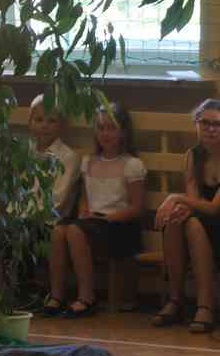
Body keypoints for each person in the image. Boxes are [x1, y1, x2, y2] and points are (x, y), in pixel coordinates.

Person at [152, 99, 220, 332]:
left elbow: (216, 207)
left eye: (217, 124)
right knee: (176, 220)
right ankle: (175, 299)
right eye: (204, 123)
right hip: (206, 223)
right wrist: (179, 206)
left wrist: (174, 198)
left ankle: (205, 305)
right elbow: (195, 204)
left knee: (192, 224)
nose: (210, 129)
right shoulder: (193, 155)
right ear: (196, 124)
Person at [42, 102, 147, 319]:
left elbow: (137, 208)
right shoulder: (88, 161)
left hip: (120, 226)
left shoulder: (132, 164)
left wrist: (107, 218)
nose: (105, 133)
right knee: (59, 231)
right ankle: (57, 295)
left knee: (74, 230)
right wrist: (84, 213)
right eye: (100, 128)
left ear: (123, 132)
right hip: (92, 223)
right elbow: (84, 198)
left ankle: (87, 297)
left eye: (111, 128)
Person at [26, 94, 80, 220]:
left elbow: (58, 200)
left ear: (62, 125)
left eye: (52, 121)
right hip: (17, 218)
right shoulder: (25, 152)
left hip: (47, 220)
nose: (45, 125)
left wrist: (30, 220)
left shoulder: (68, 157)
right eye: (39, 120)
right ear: (30, 123)